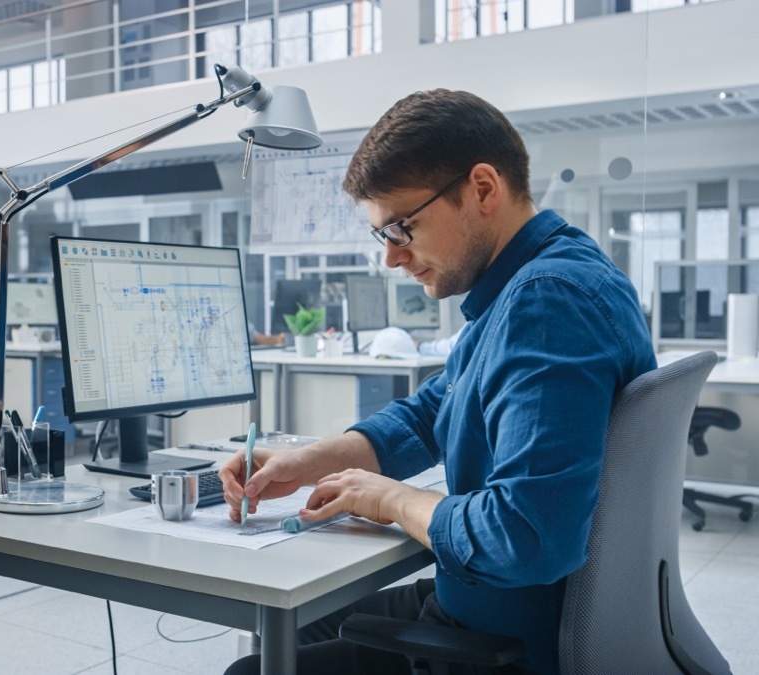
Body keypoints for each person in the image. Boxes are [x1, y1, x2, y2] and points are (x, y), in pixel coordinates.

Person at [221, 90, 656, 675]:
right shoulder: (539, 278)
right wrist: (312, 461)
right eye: (384, 236)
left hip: (512, 640)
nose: (392, 260)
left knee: (253, 669)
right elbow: (434, 410)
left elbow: (526, 537)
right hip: (500, 607)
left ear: (482, 188)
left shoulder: (547, 304)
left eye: (402, 228)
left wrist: (396, 500)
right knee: (294, 620)